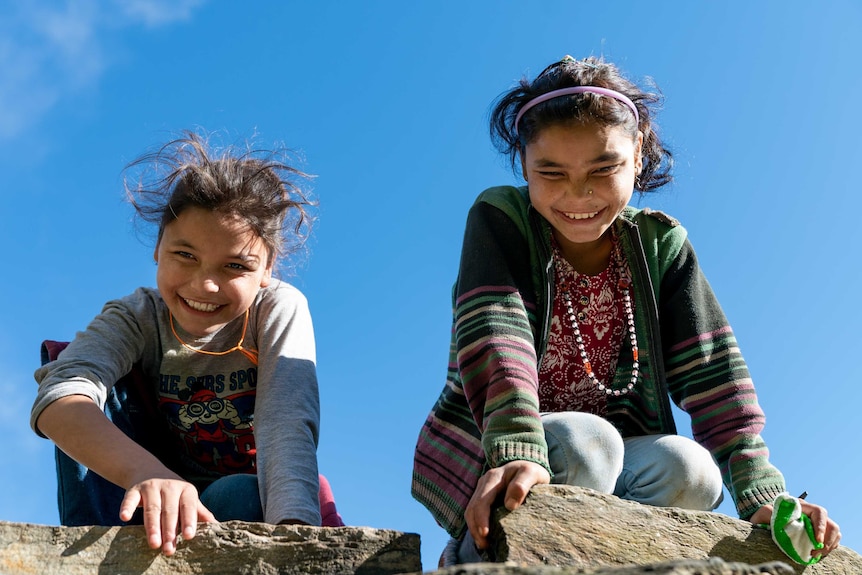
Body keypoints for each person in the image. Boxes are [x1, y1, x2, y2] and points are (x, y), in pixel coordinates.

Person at [412, 55, 842, 565]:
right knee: (586, 442)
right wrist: (518, 449)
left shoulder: (661, 245)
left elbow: (716, 377)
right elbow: (494, 338)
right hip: (511, 449)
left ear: (637, 153)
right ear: (523, 163)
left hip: (618, 465)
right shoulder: (500, 219)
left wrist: (765, 496)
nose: (578, 194)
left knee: (692, 471)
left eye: (603, 168)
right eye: (550, 172)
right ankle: (480, 553)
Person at [32, 132, 321, 556]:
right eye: (185, 255)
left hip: (235, 506)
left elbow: (286, 424)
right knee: (76, 377)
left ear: (267, 270)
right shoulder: (138, 316)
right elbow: (58, 398)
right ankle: (96, 555)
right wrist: (147, 472)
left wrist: (298, 541)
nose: (205, 284)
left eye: (235, 265)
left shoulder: (276, 308)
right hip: (140, 504)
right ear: (157, 247)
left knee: (240, 494)